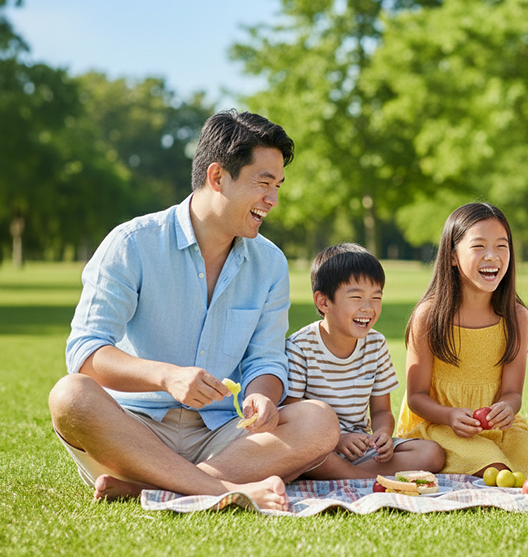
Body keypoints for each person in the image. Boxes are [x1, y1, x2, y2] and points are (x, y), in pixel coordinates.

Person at [48, 110, 340, 511]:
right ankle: (218, 489)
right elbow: (85, 352)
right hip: (135, 432)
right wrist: (166, 376)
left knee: (319, 420)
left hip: (226, 434)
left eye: (278, 186)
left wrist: (262, 396)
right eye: (263, 183)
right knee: (69, 395)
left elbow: (267, 360)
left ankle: (157, 487)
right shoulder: (132, 244)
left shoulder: (270, 263)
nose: (272, 200)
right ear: (217, 177)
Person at [397, 203, 528, 477]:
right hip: (439, 426)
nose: (492, 256)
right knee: (494, 468)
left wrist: (506, 409)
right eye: (479, 247)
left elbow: (513, 393)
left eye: (502, 246)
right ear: (452, 256)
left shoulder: (517, 317)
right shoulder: (429, 316)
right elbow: (416, 398)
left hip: (496, 430)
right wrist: (450, 416)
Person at [283, 243, 445, 479]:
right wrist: (337, 440)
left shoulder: (376, 344)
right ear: (323, 302)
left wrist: (382, 435)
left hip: (361, 447)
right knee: (301, 455)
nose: (368, 308)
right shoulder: (300, 348)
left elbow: (382, 411)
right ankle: (356, 475)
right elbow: (289, 417)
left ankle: (349, 474)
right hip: (317, 447)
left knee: (431, 453)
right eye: (356, 297)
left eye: (376, 298)